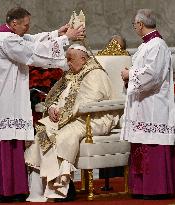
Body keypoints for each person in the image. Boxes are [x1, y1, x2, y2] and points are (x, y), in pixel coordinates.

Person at [0, 7, 85, 203]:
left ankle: (5, 190)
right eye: (25, 25)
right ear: (14, 23)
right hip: (5, 99)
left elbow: (30, 40)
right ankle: (7, 191)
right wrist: (65, 39)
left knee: (5, 141)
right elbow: (33, 52)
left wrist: (56, 34)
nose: (28, 28)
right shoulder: (7, 40)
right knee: (7, 142)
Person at [25, 44, 119, 202]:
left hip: (91, 118)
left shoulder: (95, 73)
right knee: (42, 132)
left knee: (62, 136)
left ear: (83, 59)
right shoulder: (70, 74)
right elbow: (55, 97)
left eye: (71, 59)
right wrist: (53, 108)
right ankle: (39, 190)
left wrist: (63, 111)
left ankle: (62, 189)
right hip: (70, 118)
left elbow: (89, 100)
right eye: (67, 59)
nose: (68, 63)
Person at [120, 9, 175, 199]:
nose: (134, 28)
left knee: (152, 145)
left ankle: (156, 188)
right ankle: (141, 188)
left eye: (134, 25)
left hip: (153, 105)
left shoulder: (157, 45)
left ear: (139, 24)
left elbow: (153, 76)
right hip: (143, 104)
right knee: (141, 143)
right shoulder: (146, 45)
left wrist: (129, 75)